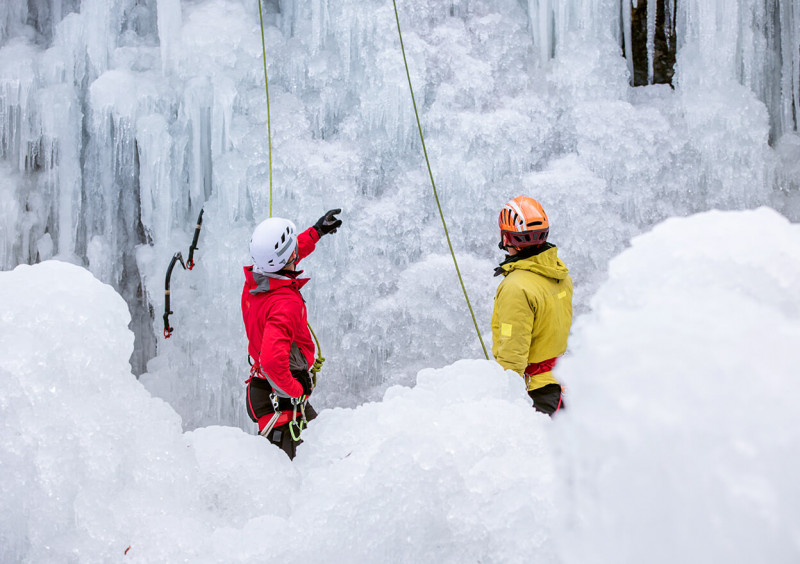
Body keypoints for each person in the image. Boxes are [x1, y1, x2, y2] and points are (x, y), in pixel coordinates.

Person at [241, 209, 342, 458]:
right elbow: (274, 363)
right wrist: (297, 391)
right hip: (281, 397)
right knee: (309, 464)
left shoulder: (256, 279)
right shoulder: (285, 303)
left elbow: (287, 258)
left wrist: (316, 232)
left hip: (267, 389)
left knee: (320, 450)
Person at [491, 197, 572, 416]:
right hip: (558, 383)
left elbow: (512, 351)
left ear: (507, 237)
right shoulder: (559, 273)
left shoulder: (516, 287)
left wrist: (506, 395)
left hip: (534, 392)